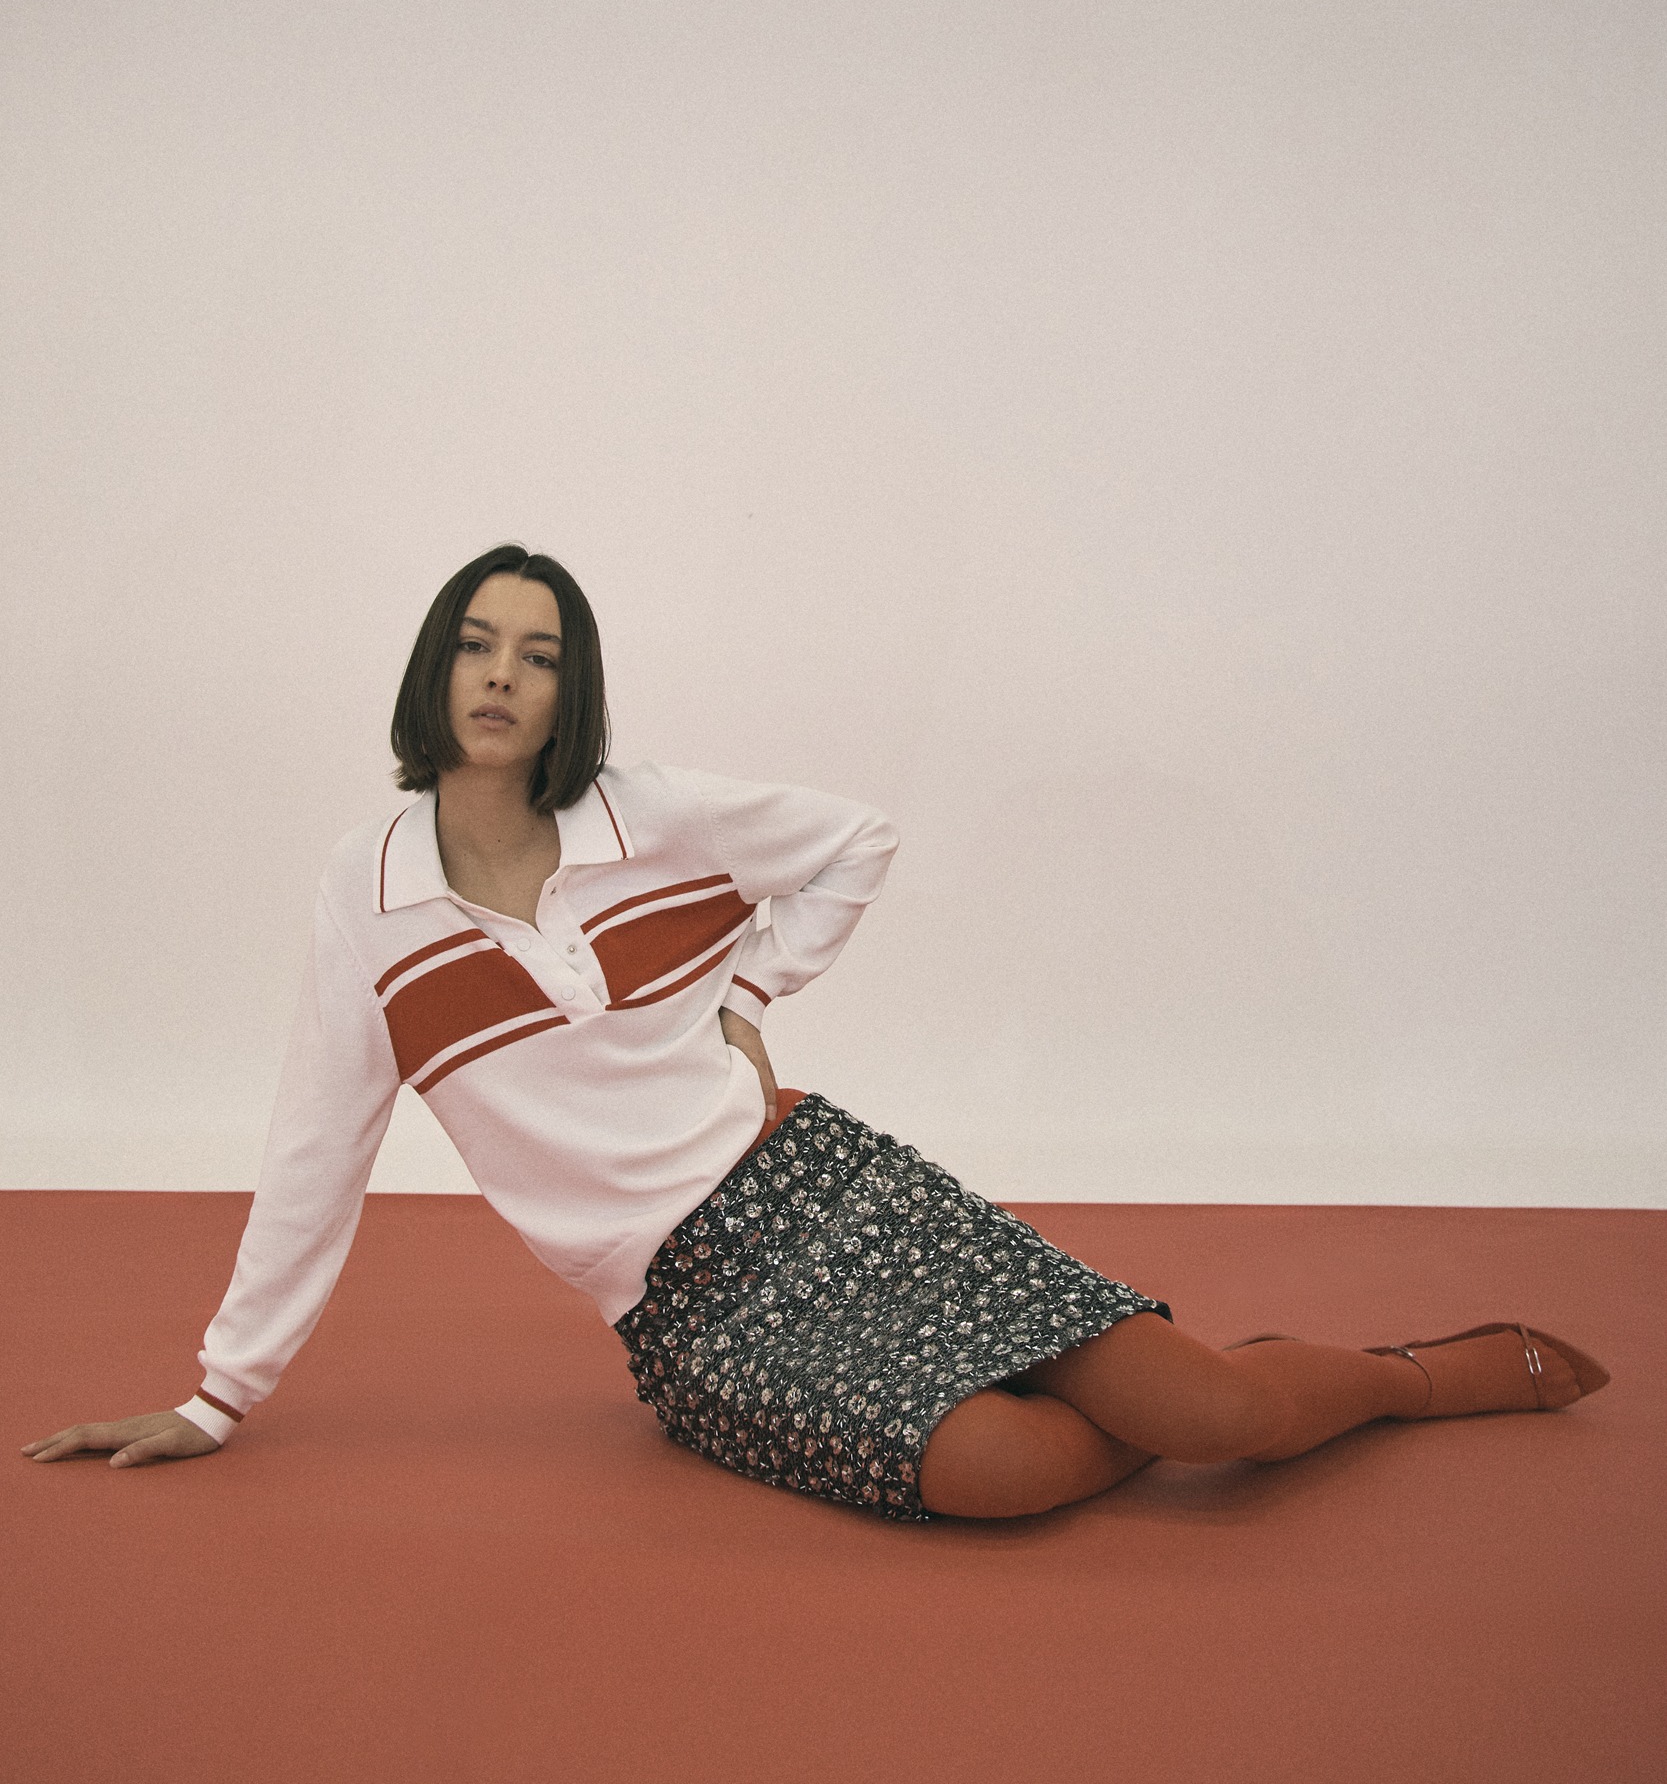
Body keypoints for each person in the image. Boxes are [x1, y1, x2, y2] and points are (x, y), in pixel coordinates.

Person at [23, 545, 1610, 1520]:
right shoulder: (364, 904)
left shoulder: (646, 816)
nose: (501, 676)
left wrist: (748, 995)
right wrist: (222, 1394)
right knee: (1004, 1477)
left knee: (1221, 1424)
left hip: (815, 1189)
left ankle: (1415, 1376)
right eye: (476, 644)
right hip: (691, 1318)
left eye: (540, 654)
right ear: (432, 667)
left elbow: (857, 838)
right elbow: (317, 1151)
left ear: (571, 691)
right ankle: (1165, 1383)